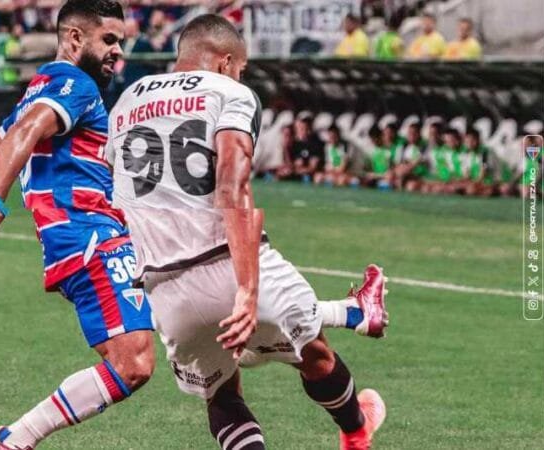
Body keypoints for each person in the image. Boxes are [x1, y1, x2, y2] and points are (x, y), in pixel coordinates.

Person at [0, 4, 386, 449]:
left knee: (217, 370)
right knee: (153, 361)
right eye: (110, 40)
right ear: (75, 38)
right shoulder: (77, 86)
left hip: (128, 262)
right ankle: (14, 439)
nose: (118, 52)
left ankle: (354, 312)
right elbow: (27, 134)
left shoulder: (86, 92)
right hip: (108, 240)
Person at [107, 14, 386, 450]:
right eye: (241, 67)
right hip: (227, 261)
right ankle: (355, 433)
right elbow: (232, 183)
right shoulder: (230, 92)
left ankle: (356, 313)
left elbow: (114, 184)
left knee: (221, 392)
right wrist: (247, 290)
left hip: (163, 286)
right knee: (316, 356)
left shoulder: (127, 100)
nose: (241, 75)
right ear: (224, 61)